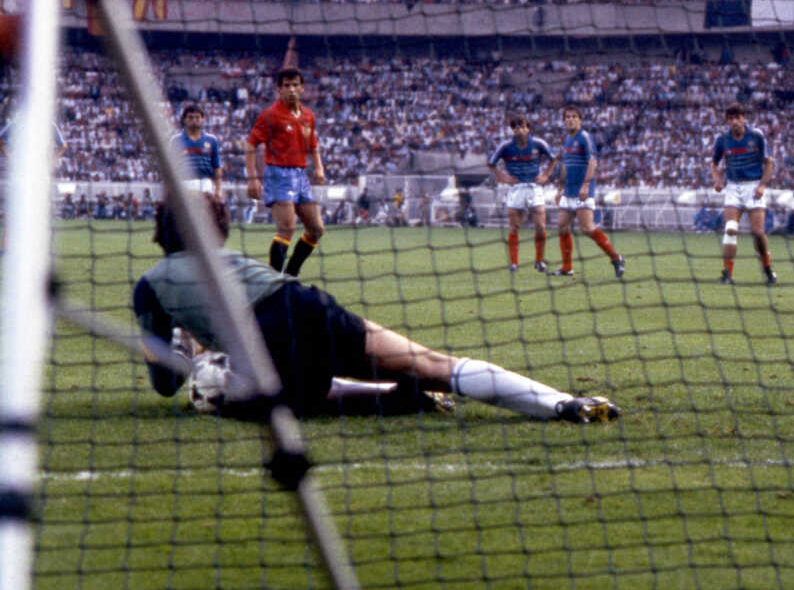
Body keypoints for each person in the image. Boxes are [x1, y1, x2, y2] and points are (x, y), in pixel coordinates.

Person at [134, 194, 619, 423]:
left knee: (287, 402)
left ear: (163, 232)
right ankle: (563, 403)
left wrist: (183, 346)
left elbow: (164, 384)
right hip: (301, 305)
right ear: (217, 231)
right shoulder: (230, 259)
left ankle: (401, 399)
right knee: (430, 363)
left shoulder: (151, 286)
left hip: (262, 338)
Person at [245, 67, 325, 277]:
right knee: (287, 227)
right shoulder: (270, 115)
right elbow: (251, 145)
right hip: (278, 175)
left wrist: (318, 167)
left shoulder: (308, 115)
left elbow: (313, 144)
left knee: (316, 229)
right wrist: (253, 179)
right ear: (279, 89)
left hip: (301, 175)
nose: (291, 89)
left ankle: (290, 275)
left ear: (302, 88)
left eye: (295, 85)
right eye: (286, 86)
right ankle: (272, 282)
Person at [551, 104, 625, 278]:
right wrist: (560, 188)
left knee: (587, 228)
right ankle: (567, 267)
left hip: (582, 191)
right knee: (562, 226)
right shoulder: (567, 140)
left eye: (573, 116)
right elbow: (565, 167)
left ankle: (616, 258)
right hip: (568, 192)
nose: (570, 119)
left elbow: (593, 162)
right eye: (567, 117)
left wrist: (585, 184)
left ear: (580, 120)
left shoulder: (584, 137)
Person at [709, 102, 777, 285]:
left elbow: (769, 162)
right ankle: (727, 273)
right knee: (730, 228)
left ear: (744, 118)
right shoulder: (722, 139)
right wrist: (717, 181)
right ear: (728, 121)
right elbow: (714, 164)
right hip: (733, 187)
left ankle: (768, 269)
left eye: (738, 118)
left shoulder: (756, 136)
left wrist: (762, 185)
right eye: (731, 119)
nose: (735, 122)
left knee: (757, 232)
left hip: (753, 186)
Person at [488, 115, 557, 273]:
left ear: (528, 128)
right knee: (514, 227)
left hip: (534, 187)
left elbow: (554, 158)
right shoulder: (505, 146)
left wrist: (546, 175)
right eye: (516, 127)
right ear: (513, 130)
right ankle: (514, 263)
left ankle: (539, 261)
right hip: (516, 188)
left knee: (540, 225)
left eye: (523, 126)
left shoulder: (539, 144)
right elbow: (491, 162)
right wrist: (502, 177)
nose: (520, 129)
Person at [172, 103, 222, 197]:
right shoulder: (176, 141)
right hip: (185, 184)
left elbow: (217, 167)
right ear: (184, 120)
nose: (194, 120)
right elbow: (171, 168)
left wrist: (218, 190)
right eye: (190, 117)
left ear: (202, 119)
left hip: (206, 184)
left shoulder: (212, 140)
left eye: (197, 117)